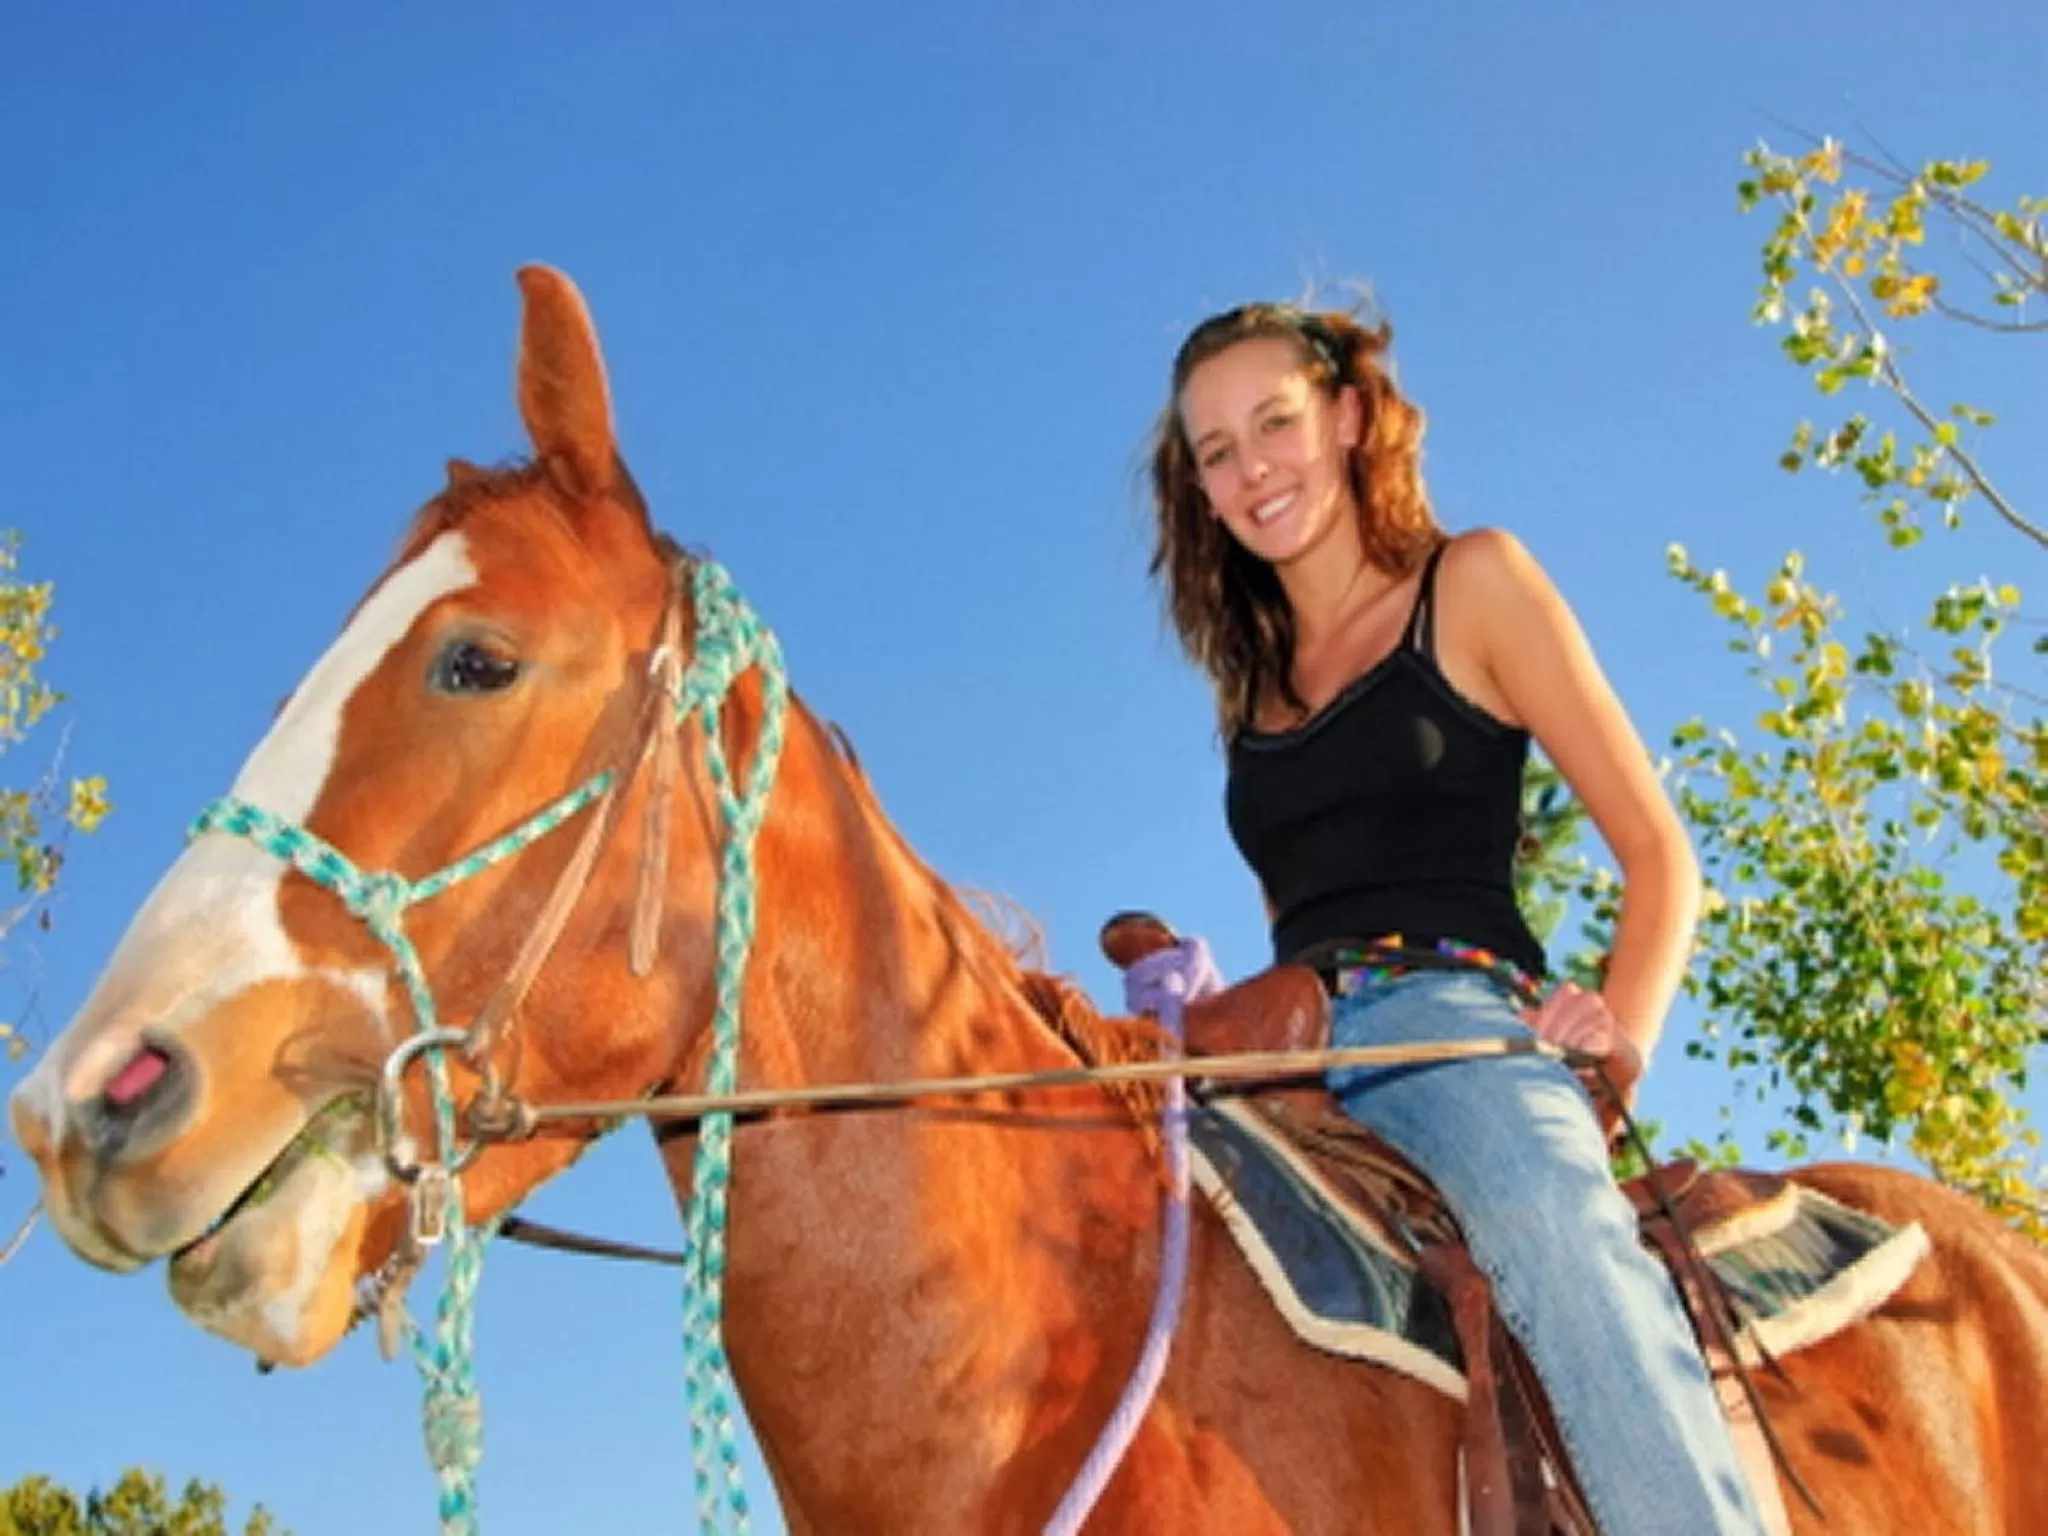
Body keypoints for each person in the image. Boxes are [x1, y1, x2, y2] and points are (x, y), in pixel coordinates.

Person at [1144, 299, 1769, 1535]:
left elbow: (1658, 856)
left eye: (1272, 423)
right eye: (1215, 451)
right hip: (1281, 1051)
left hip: (1450, 1021)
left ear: (1346, 416)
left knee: (1550, 1232)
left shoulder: (1469, 583)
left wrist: (1617, 1047)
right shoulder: (1249, 698)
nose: (1249, 466)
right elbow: (1293, 919)